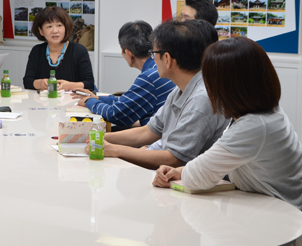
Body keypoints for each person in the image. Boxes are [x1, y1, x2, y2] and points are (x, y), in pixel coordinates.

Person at [153, 37, 302, 246]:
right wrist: (179, 171)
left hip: (295, 229)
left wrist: (185, 172)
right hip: (294, 208)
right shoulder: (260, 110)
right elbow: (216, 163)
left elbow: (198, 177)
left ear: (227, 85)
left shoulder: (255, 125)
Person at [94, 19, 229, 170]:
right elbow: (148, 131)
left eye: (154, 53)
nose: (153, 59)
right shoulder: (180, 89)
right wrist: (99, 137)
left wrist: (114, 150)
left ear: (167, 59)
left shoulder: (201, 99)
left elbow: (173, 158)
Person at [71, 21, 175, 129]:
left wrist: (90, 101)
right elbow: (127, 102)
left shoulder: (149, 78)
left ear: (128, 53)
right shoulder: (156, 68)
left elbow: (115, 115)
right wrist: (97, 98)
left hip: (152, 141)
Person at [23, 6, 94, 91]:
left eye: (59, 25)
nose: (55, 31)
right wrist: (40, 83)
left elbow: (89, 83)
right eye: (49, 26)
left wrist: (68, 85)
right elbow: (27, 82)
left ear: (66, 28)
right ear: (41, 30)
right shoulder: (37, 51)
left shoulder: (79, 51)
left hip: (73, 101)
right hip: (43, 101)